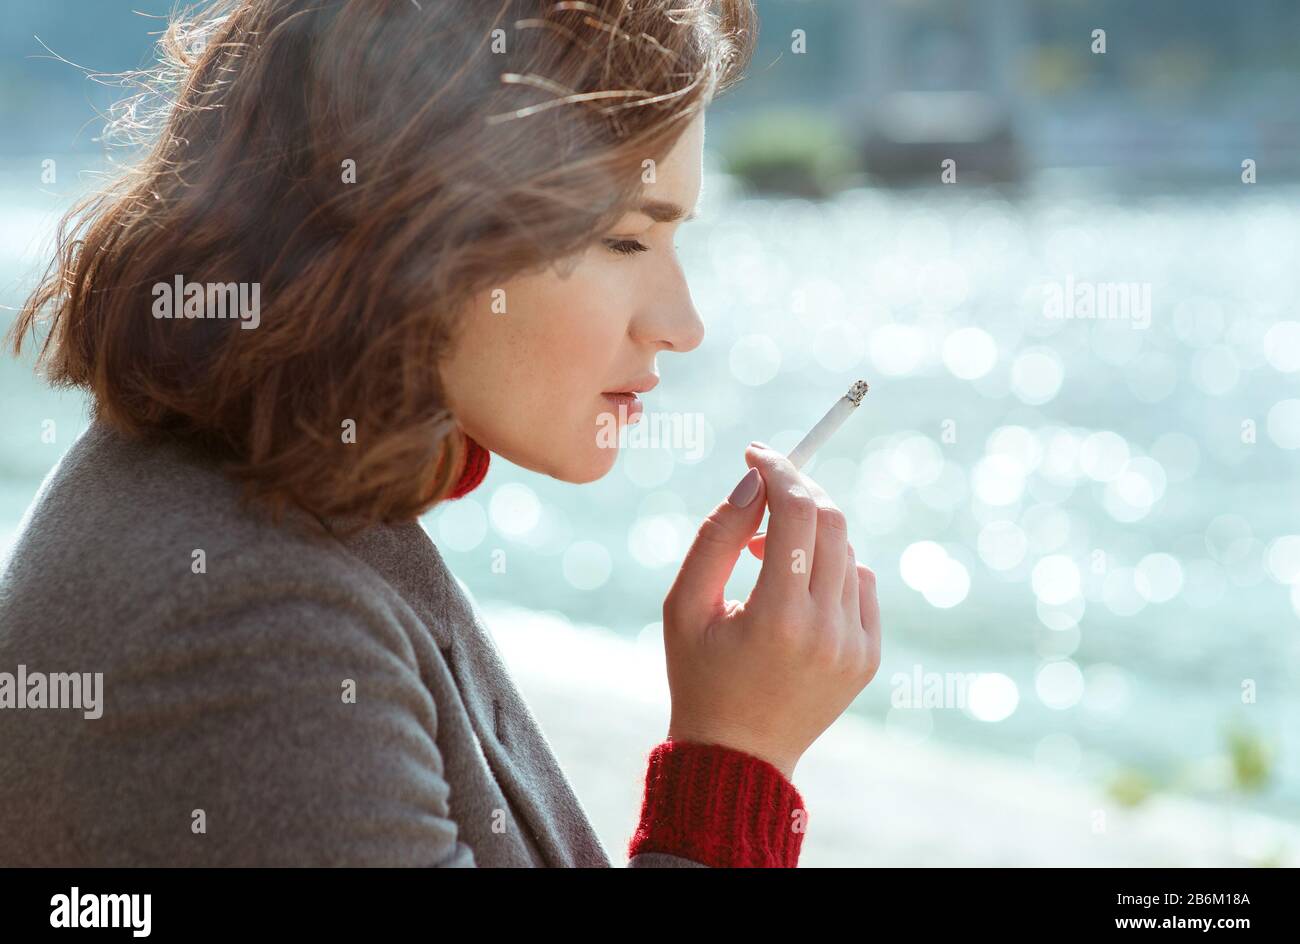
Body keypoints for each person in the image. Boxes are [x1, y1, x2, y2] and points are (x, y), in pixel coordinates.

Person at [0, 0, 881, 867]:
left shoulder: (271, 502)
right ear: (411, 223)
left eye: (674, 238)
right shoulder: (259, 642)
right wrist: (736, 763)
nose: (682, 324)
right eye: (623, 241)